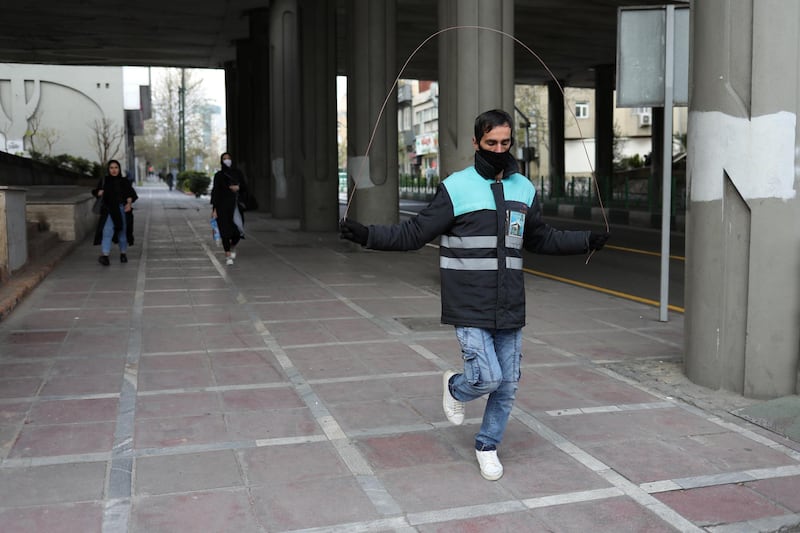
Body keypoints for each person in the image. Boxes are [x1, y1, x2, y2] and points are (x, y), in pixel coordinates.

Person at [340, 109, 609, 481]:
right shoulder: (456, 188)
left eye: (505, 142)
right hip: (468, 302)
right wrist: (367, 235)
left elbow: (540, 238)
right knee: (485, 378)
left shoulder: (524, 189)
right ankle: (455, 386)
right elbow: (413, 234)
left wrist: (586, 240)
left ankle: (487, 446)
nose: (499, 149)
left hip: (510, 303)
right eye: (491, 143)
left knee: (508, 383)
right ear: (476, 143)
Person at [92, 159, 138, 266]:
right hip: (109, 211)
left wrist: (129, 204)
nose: (114, 170)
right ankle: (105, 256)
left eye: (116, 168)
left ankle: (123, 254)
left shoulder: (124, 181)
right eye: (111, 168)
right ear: (108, 169)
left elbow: (131, 194)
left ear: (119, 169)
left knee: (122, 232)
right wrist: (99, 192)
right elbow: (95, 191)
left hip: (122, 209)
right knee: (107, 231)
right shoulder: (105, 180)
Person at [210, 152, 249, 265]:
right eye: (224, 158)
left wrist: (238, 187)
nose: (227, 160)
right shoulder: (219, 175)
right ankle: (227, 254)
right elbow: (215, 192)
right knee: (224, 231)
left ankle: (232, 246)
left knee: (238, 231)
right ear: (221, 161)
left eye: (229, 158)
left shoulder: (237, 173)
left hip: (236, 207)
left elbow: (245, 188)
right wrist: (214, 209)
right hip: (222, 207)